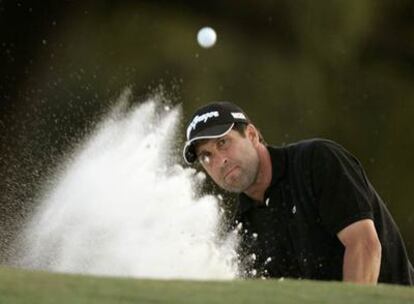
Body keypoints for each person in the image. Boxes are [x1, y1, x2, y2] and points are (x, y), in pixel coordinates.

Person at [182, 101, 414, 285]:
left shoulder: (316, 161)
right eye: (206, 156)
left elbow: (364, 245)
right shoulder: (242, 228)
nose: (219, 160)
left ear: (252, 135)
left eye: (223, 143)